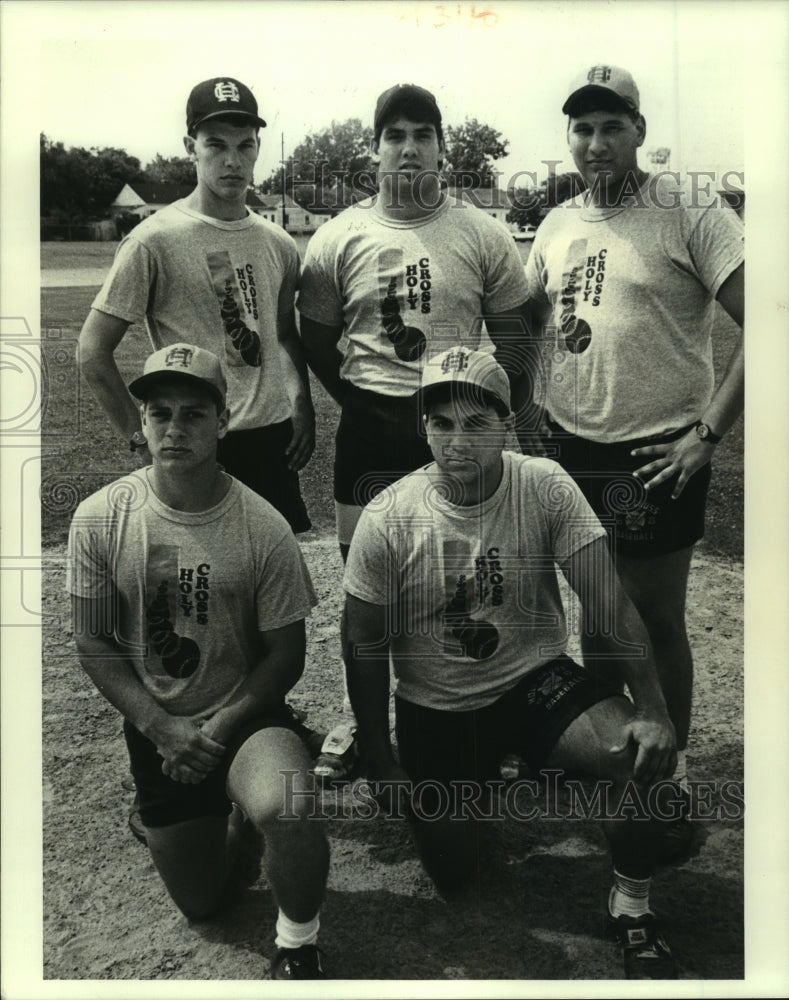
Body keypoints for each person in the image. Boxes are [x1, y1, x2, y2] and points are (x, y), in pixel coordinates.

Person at [343, 347, 681, 979]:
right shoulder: (389, 516)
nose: (457, 440)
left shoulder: (543, 484)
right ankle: (506, 774)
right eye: (441, 423)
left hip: (532, 678)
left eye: (476, 423)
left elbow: (607, 601)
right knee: (457, 876)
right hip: (436, 702)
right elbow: (362, 645)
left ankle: (631, 908)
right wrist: (382, 759)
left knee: (633, 754)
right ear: (424, 428)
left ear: (505, 425)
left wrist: (655, 710)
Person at [522, 65, 744, 860]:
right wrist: (530, 415)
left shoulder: (687, 209)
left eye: (610, 125)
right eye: (581, 128)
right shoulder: (554, 223)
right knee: (598, 620)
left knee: (652, 622)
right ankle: (608, 754)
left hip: (656, 452)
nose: (594, 142)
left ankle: (663, 770)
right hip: (570, 448)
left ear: (638, 131)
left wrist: (706, 436)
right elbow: (532, 327)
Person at [67, 344, 329, 980]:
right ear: (143, 422)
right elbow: (94, 641)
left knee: (287, 808)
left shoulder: (261, 524)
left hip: (244, 720)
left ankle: (299, 942)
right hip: (161, 727)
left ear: (223, 420)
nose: (174, 429)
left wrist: (214, 731)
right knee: (204, 905)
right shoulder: (101, 516)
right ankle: (226, 820)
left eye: (193, 414)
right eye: (159, 414)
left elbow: (286, 654)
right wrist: (163, 728)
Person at [297, 83, 533, 778]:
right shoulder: (338, 235)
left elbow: (515, 338)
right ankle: (367, 725)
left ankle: (493, 712)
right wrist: (359, 396)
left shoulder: (479, 230)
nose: (408, 147)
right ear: (374, 149)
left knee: (471, 577)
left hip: (460, 426)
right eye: (393, 134)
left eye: (421, 133)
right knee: (367, 591)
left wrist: (499, 421)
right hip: (372, 429)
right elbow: (315, 337)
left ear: (441, 146)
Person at [78, 76, 315, 534]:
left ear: (257, 148)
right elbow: (92, 351)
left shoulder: (280, 244)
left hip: (270, 440)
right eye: (215, 145)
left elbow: (284, 334)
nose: (232, 160)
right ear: (191, 146)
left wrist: (301, 402)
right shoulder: (153, 240)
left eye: (245, 146)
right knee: (198, 583)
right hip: (195, 436)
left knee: (274, 588)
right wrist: (140, 437)